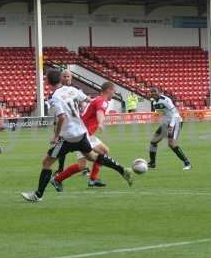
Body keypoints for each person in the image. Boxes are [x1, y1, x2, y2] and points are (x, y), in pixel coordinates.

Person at [21, 69, 133, 203]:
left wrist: (56, 136)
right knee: (92, 156)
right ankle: (122, 170)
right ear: (60, 79)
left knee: (47, 162)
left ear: (48, 81)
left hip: (68, 136)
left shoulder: (54, 97)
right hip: (81, 132)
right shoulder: (72, 90)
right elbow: (87, 99)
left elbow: (61, 118)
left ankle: (38, 195)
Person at [50, 81, 115, 192]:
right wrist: (100, 123)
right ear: (108, 90)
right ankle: (58, 179)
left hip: (84, 133)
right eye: (114, 91)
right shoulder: (102, 101)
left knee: (99, 154)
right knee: (87, 162)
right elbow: (100, 112)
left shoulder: (97, 99)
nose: (114, 93)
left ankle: (91, 179)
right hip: (83, 135)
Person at [148, 87, 191, 170]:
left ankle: (187, 163)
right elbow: (164, 114)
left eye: (155, 92)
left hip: (176, 121)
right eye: (151, 92)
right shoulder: (154, 103)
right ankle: (152, 163)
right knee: (153, 141)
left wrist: (171, 126)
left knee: (171, 144)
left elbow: (174, 113)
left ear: (160, 92)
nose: (153, 93)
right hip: (166, 123)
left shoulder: (165, 100)